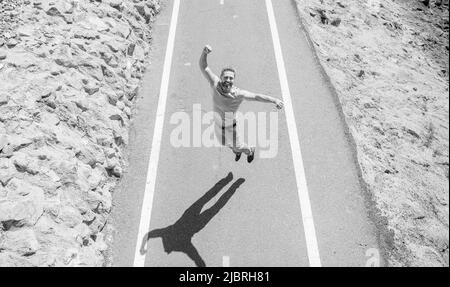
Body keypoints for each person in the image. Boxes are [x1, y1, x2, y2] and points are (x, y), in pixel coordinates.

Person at [199, 45, 284, 163]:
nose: (228, 80)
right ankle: (236, 150)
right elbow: (204, 67)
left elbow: (256, 96)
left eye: (231, 78)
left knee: (238, 146)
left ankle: (250, 150)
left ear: (233, 80)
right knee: (224, 142)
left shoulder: (238, 94)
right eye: (226, 77)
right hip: (217, 121)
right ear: (221, 77)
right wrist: (204, 53)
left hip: (229, 123)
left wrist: (274, 100)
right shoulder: (214, 83)